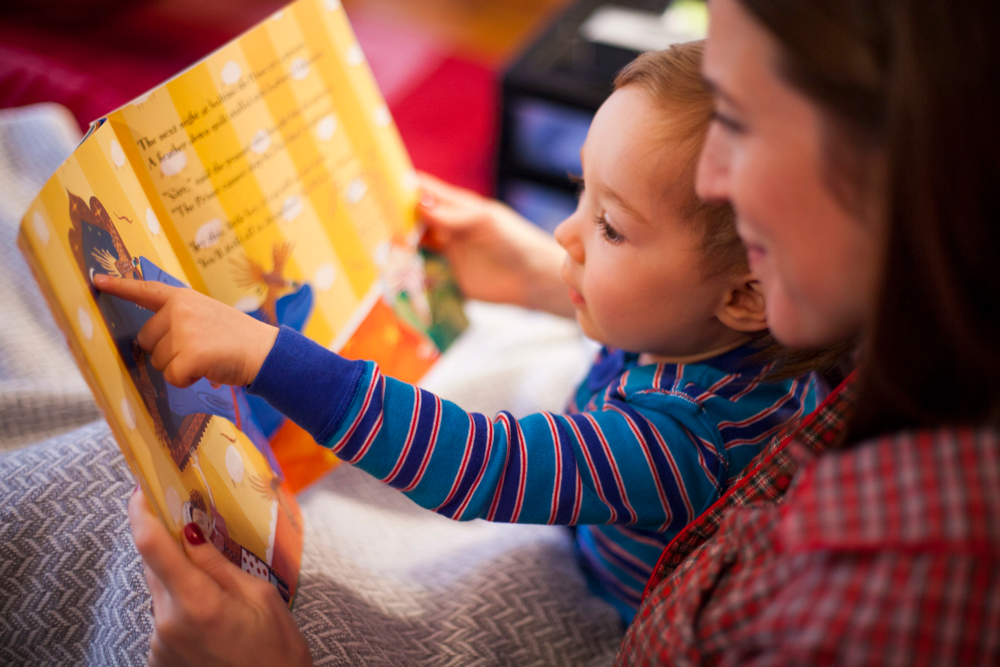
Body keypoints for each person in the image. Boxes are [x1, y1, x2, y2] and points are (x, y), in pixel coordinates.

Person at [100, 40, 827, 640]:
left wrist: (266, 355)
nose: (564, 232)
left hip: (606, 610)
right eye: (581, 189)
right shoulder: (732, 328)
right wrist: (539, 273)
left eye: (610, 226)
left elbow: (482, 463)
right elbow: (655, 311)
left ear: (745, 297)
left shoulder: (684, 444)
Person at [613, 0, 1000, 663]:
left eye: (736, 118)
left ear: (905, 148)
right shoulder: (896, 333)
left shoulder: (883, 604)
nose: (710, 178)